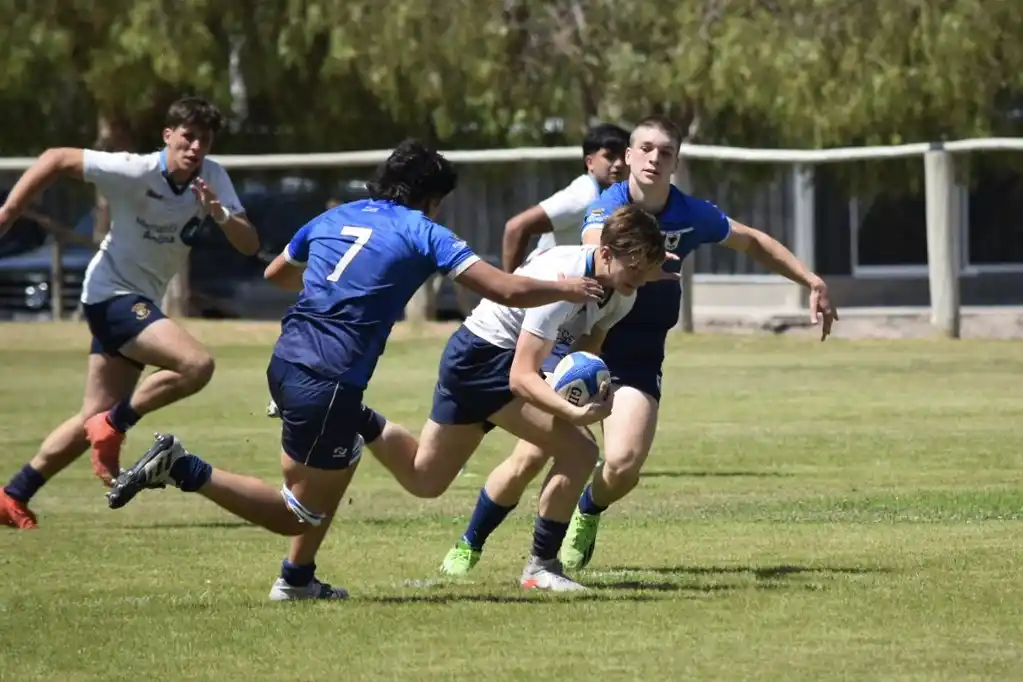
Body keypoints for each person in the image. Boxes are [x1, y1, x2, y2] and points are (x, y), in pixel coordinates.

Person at [104, 139, 605, 600]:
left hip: (288, 359)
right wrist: (567, 288)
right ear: (430, 199)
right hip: (328, 376)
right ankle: (182, 466)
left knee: (341, 460)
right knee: (294, 512)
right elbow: (507, 289)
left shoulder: (335, 217)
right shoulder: (424, 232)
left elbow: (277, 274)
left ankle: (297, 579)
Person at [437, 115, 840, 576]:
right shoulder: (608, 208)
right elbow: (597, 246)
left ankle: (586, 511)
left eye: (665, 152)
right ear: (628, 157)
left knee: (623, 464)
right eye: (645, 148)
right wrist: (638, 263)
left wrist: (810, 279)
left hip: (639, 353)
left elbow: (753, 242)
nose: (654, 158)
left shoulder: (692, 214)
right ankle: (472, 542)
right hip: (581, 346)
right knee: (531, 455)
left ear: (675, 163)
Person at [367, 203, 669, 591]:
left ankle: (353, 417)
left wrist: (587, 391)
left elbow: (585, 354)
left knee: (426, 479)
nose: (640, 281)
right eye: (635, 270)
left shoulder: (622, 291)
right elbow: (520, 376)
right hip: (482, 360)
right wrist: (572, 414)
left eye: (646, 273)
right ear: (606, 254)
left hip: (480, 360)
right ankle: (540, 568)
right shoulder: (566, 280)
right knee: (579, 451)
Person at [0, 96, 258, 530]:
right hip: (111, 294)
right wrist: (8, 212)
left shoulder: (212, 178)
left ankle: (13, 494)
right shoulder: (134, 171)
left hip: (137, 302)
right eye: (187, 137)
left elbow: (249, 244)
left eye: (204, 140)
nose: (195, 147)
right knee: (196, 364)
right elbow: (56, 158)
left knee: (90, 417)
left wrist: (221, 213)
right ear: (168, 136)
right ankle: (116, 423)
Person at [501, 123, 628, 273]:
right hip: (545, 288)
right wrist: (510, 289)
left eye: (623, 157)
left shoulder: (616, 195)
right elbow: (516, 227)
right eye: (610, 157)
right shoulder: (583, 196)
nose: (619, 164)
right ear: (590, 162)